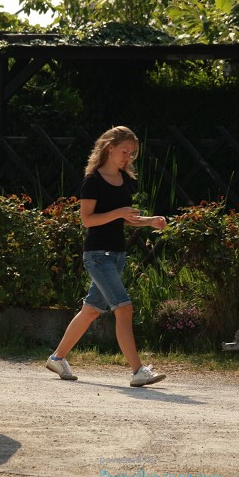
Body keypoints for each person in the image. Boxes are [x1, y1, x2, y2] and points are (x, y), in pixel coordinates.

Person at [45, 126, 168, 387]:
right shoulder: (93, 181)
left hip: (117, 256)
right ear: (110, 149)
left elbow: (124, 218)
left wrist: (149, 222)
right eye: (124, 152)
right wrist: (119, 212)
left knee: (90, 311)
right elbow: (87, 220)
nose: (127, 157)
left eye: (132, 153)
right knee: (124, 308)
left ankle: (57, 357)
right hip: (98, 256)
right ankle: (137, 371)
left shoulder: (125, 180)